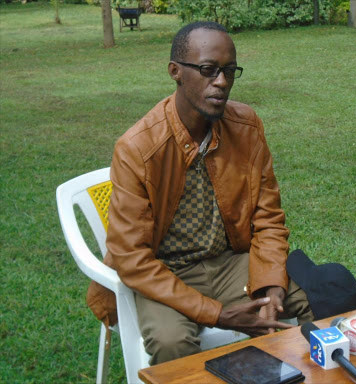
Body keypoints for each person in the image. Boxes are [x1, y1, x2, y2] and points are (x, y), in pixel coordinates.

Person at [87, 21, 314, 365]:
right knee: (171, 342)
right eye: (208, 70)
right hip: (164, 273)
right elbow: (131, 258)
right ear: (176, 72)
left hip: (229, 263)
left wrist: (271, 286)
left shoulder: (246, 126)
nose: (221, 82)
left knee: (311, 297)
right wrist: (218, 314)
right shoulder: (137, 149)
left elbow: (268, 218)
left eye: (229, 71)